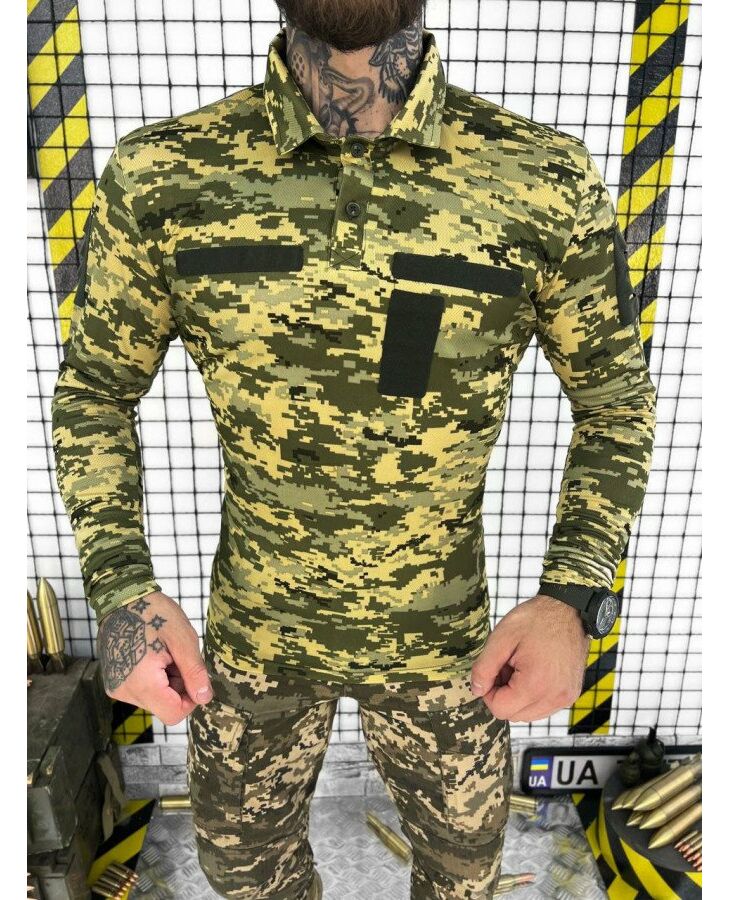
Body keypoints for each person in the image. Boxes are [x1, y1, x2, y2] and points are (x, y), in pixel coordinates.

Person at [51, 1, 656, 897]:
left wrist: (573, 596)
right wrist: (121, 592)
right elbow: (95, 392)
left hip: (446, 647)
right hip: (255, 637)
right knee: (243, 873)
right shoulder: (165, 175)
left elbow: (614, 402)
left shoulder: (540, 180)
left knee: (463, 875)